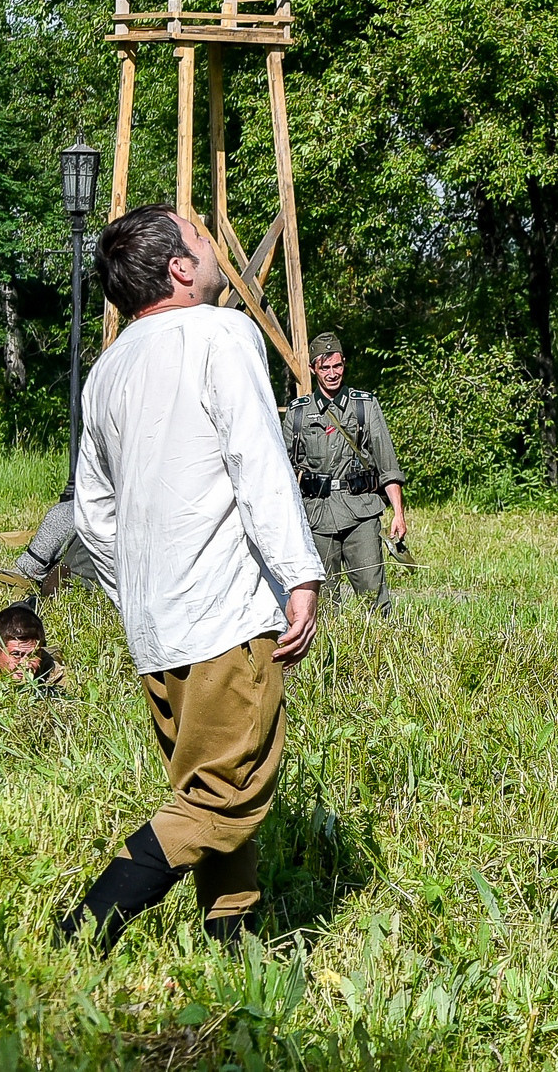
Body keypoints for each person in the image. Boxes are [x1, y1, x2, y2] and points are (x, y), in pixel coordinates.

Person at [58, 204, 324, 953]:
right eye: (203, 238)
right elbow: (257, 461)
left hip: (158, 633)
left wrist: (139, 593)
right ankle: (83, 930)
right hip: (224, 617)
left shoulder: (108, 370)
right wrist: (300, 572)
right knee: (225, 795)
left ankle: (232, 936)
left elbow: (93, 515)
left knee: (206, 782)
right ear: (181, 268)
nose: (212, 248)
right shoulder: (221, 333)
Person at [283, 333, 408, 616]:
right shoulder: (298, 414)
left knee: (373, 597)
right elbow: (283, 472)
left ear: (344, 365)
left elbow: (387, 464)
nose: (332, 374)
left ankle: (379, 651)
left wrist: (398, 513)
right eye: (325, 368)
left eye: (337, 366)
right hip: (316, 517)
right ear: (314, 369)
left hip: (360, 513)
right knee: (324, 603)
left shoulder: (364, 406)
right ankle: (330, 657)